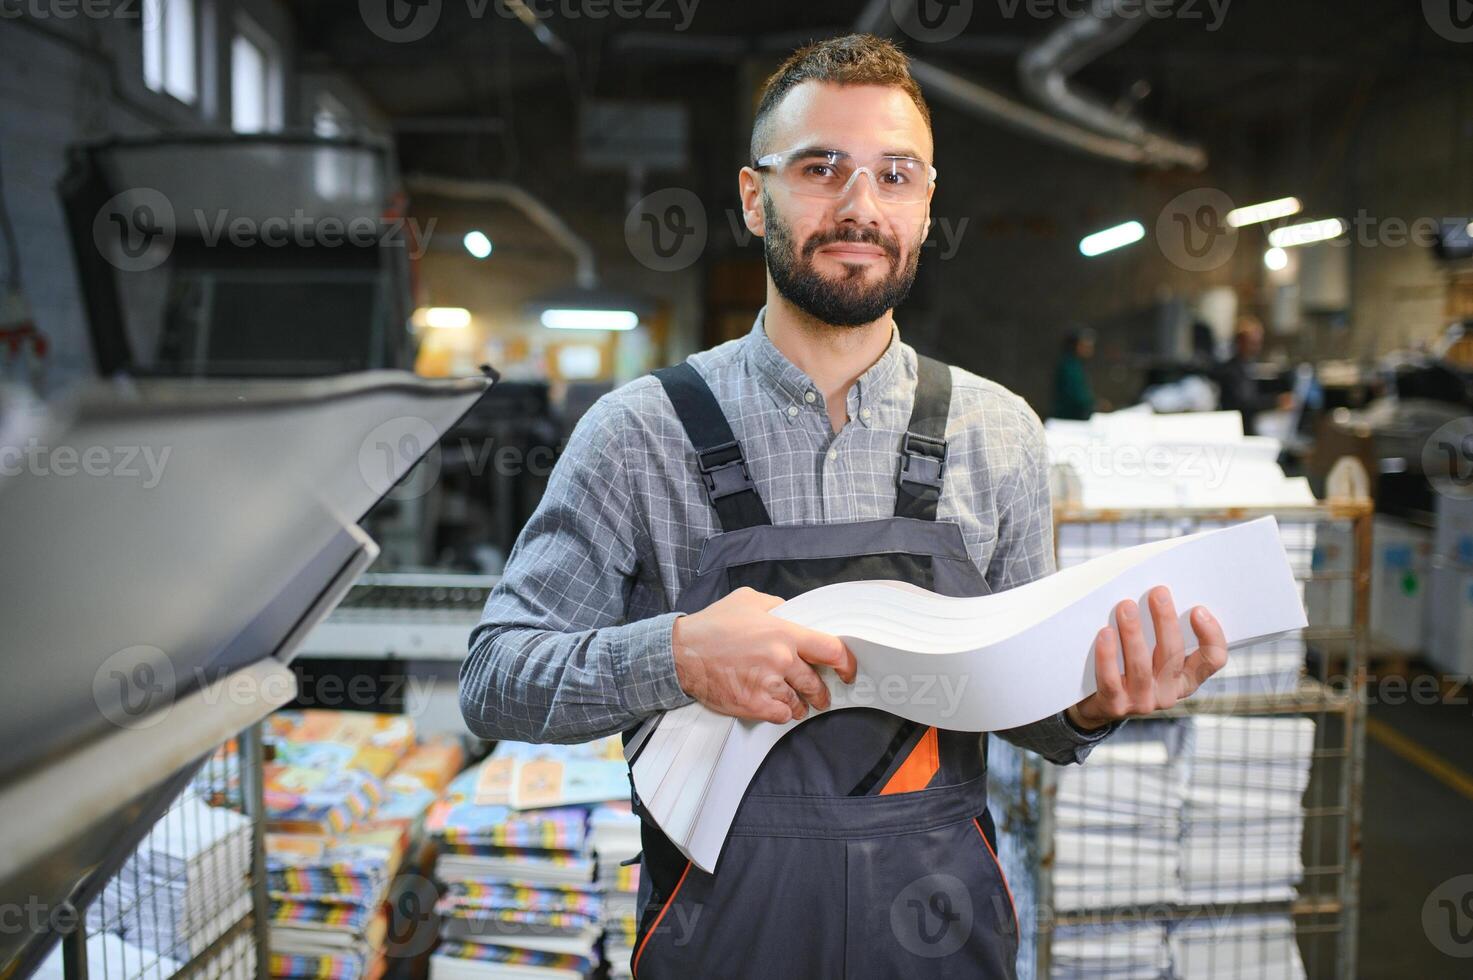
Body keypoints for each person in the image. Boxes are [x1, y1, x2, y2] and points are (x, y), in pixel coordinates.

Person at [461, 34, 1229, 979]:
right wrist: (673, 655)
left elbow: (1025, 707)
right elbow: (495, 678)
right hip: (723, 936)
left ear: (926, 202)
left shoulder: (998, 433)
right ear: (754, 196)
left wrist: (1096, 700)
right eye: (821, 168)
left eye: (894, 175)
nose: (860, 206)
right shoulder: (638, 434)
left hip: (940, 934)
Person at [1216, 314, 1284, 436]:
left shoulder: (1247, 366)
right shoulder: (1231, 371)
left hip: (1247, 427)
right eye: (1252, 342)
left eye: (1258, 342)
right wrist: (1276, 402)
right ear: (1240, 342)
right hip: (1236, 431)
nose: (1256, 347)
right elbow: (1246, 402)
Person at [1051, 328, 1096, 420]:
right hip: (1068, 420)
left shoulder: (1076, 364)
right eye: (1084, 344)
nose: (1089, 348)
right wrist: (1093, 405)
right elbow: (1075, 396)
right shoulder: (1069, 366)